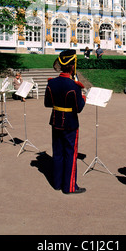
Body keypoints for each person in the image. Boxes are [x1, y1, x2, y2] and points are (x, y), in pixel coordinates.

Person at [44, 49, 86, 194]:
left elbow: (47, 103)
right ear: (72, 65)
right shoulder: (74, 86)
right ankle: (69, 186)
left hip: (55, 120)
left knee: (58, 153)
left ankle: (57, 183)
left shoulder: (51, 83)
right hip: (70, 123)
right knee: (70, 154)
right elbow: (79, 108)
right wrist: (84, 98)